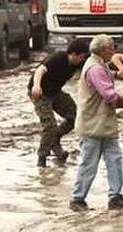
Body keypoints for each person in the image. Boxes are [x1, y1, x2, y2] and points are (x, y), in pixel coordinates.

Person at [69, 35, 123, 212]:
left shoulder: (98, 64)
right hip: (93, 125)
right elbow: (110, 96)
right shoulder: (95, 68)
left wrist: (117, 75)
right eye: (111, 47)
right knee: (89, 163)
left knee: (114, 159)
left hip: (104, 125)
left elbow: (107, 76)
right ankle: (77, 199)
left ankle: (115, 197)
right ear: (103, 50)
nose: (114, 50)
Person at [29, 39, 89, 167]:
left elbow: (93, 69)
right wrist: (36, 86)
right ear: (73, 54)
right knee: (50, 125)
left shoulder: (78, 63)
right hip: (40, 93)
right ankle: (42, 158)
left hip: (55, 92)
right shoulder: (58, 58)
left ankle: (55, 139)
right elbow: (40, 70)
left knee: (75, 116)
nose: (82, 61)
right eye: (81, 57)